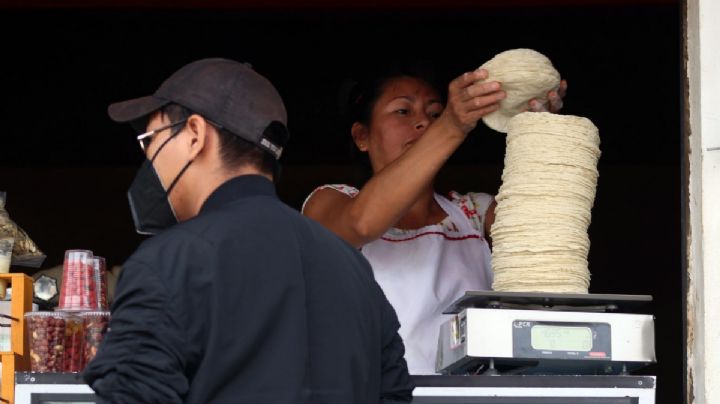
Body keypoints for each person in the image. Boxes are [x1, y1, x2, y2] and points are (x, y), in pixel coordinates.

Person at [83, 58, 414, 404]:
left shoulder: (168, 263)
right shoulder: (355, 270)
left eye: (150, 139)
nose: (149, 158)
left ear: (195, 134)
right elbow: (394, 394)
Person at [302, 64, 566, 374]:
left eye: (436, 114)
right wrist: (451, 125)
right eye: (403, 111)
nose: (423, 123)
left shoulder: (474, 214)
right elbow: (362, 223)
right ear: (362, 136)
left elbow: (546, 233)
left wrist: (538, 131)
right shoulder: (331, 201)